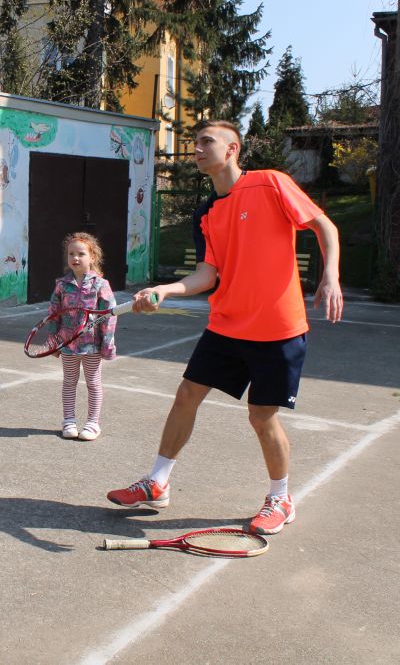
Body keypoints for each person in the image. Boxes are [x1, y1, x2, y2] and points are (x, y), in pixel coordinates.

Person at [106, 119, 344, 536]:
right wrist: (166, 289)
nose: (197, 149)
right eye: (195, 143)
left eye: (206, 142)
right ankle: (157, 482)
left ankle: (280, 497)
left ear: (232, 149)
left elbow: (324, 225)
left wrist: (332, 276)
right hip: (228, 325)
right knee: (187, 395)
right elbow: (206, 276)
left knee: (261, 416)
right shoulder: (207, 213)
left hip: (278, 328)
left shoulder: (271, 183)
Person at [47, 232, 117, 441]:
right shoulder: (61, 284)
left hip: (92, 346)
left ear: (92, 257)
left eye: (81, 253)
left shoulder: (100, 285)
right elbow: (53, 314)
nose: (75, 258)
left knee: (93, 383)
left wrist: (107, 343)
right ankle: (68, 421)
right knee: (69, 381)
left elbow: (109, 316)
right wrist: (53, 340)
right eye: (71, 254)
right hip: (67, 344)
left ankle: (93, 423)